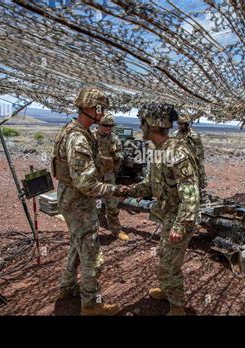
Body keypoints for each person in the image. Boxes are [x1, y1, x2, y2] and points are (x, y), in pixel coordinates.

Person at [114, 103, 200, 316]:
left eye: (142, 122)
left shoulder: (177, 152)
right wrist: (125, 190)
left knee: (171, 263)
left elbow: (191, 194)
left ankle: (177, 307)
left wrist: (180, 225)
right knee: (164, 255)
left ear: (151, 125)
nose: (140, 126)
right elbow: (150, 185)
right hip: (167, 214)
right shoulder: (159, 151)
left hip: (179, 217)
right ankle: (166, 289)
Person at [51, 87, 120, 316]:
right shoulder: (78, 138)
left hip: (71, 198)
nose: (102, 114)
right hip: (78, 201)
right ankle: (91, 304)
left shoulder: (75, 130)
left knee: (77, 245)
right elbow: (86, 184)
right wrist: (116, 190)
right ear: (89, 108)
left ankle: (66, 288)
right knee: (91, 253)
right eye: (99, 108)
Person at [93, 112, 129, 241]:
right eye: (105, 125)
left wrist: (113, 164)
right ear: (99, 124)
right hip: (94, 178)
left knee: (113, 204)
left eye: (111, 126)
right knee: (94, 205)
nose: (108, 128)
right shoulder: (91, 137)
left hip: (108, 176)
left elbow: (119, 157)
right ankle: (93, 232)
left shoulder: (114, 138)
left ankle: (116, 230)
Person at [173, 114, 208, 191]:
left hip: (191, 161)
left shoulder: (193, 135)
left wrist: (197, 161)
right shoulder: (175, 134)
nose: (180, 126)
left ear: (187, 124)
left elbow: (199, 149)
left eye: (182, 124)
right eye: (179, 124)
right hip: (178, 161)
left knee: (194, 180)